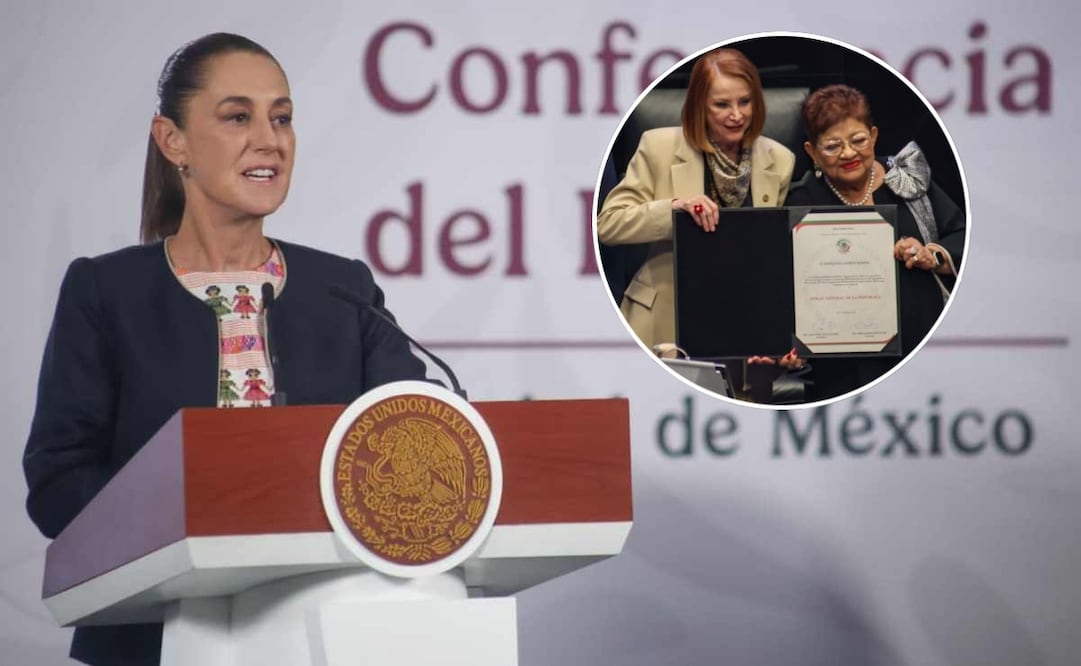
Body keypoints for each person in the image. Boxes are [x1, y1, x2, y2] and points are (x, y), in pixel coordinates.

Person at [22, 33, 432, 666]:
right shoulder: (105, 291)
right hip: (150, 638)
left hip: (326, 635)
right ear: (173, 141)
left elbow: (416, 441)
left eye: (282, 118)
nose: (270, 140)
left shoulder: (344, 289)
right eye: (239, 117)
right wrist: (193, 513)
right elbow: (57, 482)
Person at [597, 47, 796, 351]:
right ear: (699, 106)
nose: (736, 115)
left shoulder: (780, 160)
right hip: (664, 318)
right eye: (721, 104)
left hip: (741, 319)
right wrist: (674, 210)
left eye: (745, 101)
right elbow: (608, 225)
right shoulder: (658, 147)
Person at [785, 84, 965, 401]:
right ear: (812, 152)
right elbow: (782, 285)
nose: (848, 153)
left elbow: (962, 235)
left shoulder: (908, 181)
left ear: (874, 135)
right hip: (841, 369)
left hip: (922, 348)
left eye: (858, 140)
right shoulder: (800, 202)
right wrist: (790, 343)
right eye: (833, 146)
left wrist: (931, 255)